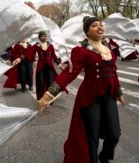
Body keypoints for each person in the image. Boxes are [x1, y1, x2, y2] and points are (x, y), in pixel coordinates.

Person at [37, 16, 126, 163]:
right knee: (91, 135)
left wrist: (118, 92)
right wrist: (49, 94)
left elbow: (113, 73)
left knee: (114, 134)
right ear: (87, 32)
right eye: (94, 25)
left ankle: (105, 156)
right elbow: (69, 73)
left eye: (101, 25)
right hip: (90, 98)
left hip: (108, 96)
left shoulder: (108, 49)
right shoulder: (81, 51)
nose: (100, 27)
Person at [31, 31, 64, 100]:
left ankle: (50, 98)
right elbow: (31, 53)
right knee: (40, 83)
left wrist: (59, 65)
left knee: (50, 83)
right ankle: (41, 98)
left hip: (49, 67)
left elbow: (54, 56)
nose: (44, 37)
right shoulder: (36, 45)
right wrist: (33, 60)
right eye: (42, 36)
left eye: (45, 36)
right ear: (39, 37)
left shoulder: (50, 46)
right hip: (40, 67)